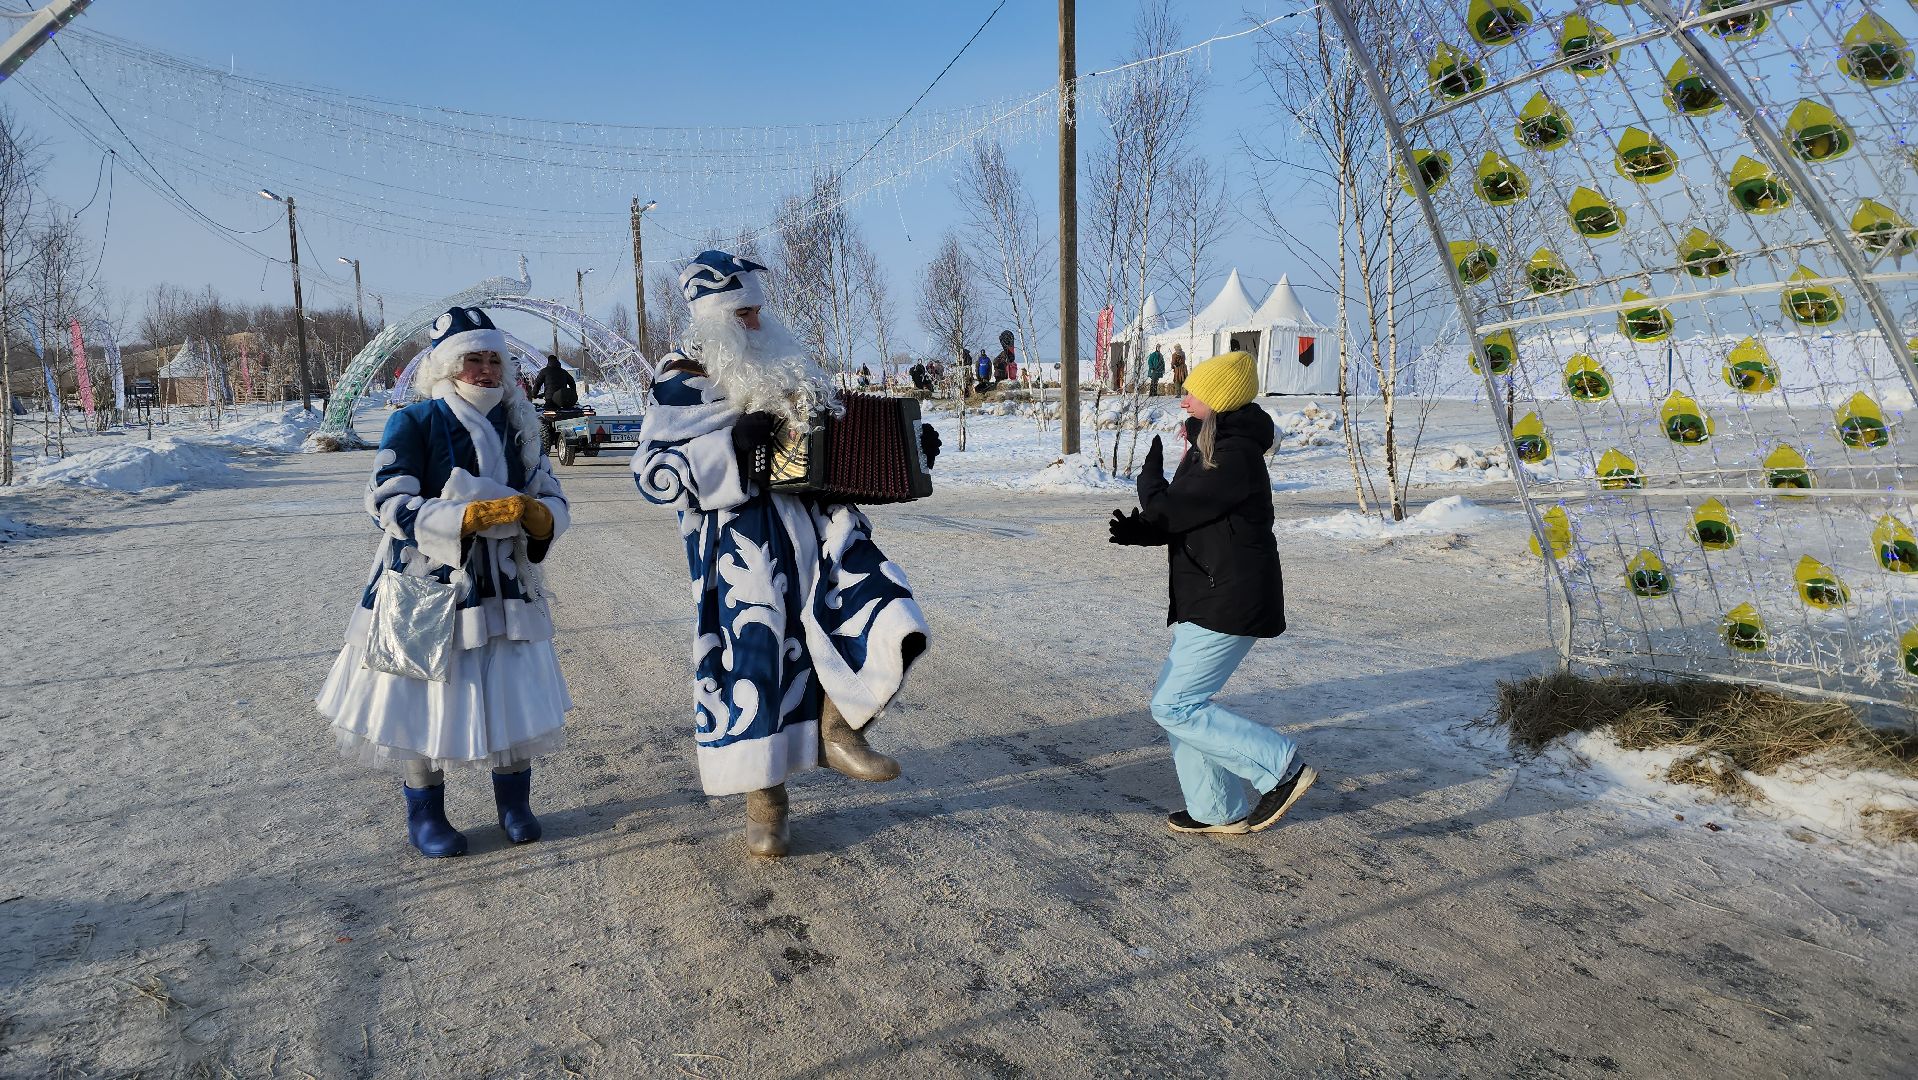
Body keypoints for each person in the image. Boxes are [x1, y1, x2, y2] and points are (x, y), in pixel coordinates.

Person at [633, 250, 940, 858]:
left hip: (816, 529)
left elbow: (840, 445)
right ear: (712, 318)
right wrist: (726, 447)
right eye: (741, 313)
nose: (754, 322)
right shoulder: (681, 382)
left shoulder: (790, 369)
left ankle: (842, 728)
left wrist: (911, 451)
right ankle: (765, 803)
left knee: (882, 608)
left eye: (757, 311)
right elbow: (654, 473)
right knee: (757, 661)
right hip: (740, 548)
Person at [317, 306, 573, 858]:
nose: (485, 371)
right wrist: (459, 520)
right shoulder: (415, 421)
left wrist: (541, 517)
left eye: (493, 360)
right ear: (447, 367)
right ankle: (426, 813)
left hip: (506, 583)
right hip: (428, 584)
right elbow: (384, 500)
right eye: (472, 360)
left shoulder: (521, 424)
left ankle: (515, 805)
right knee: (422, 696)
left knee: (509, 689)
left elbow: (549, 492)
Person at [1107, 350, 1313, 836]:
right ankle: (1216, 808)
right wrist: (1146, 529)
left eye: (1193, 392)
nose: (1183, 398)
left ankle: (1280, 768)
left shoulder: (1233, 454)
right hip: (1209, 592)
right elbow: (1191, 517)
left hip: (1230, 597)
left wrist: (1150, 486)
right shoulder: (1214, 445)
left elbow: (1179, 508)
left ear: (1217, 401)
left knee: (1175, 706)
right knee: (1179, 703)